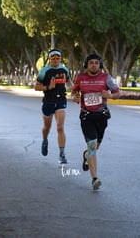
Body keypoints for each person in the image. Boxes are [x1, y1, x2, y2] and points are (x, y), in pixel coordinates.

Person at [71, 53, 120, 190]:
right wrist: (74, 98)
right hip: (87, 116)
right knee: (92, 146)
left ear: (100, 65)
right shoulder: (81, 78)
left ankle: (86, 155)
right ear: (86, 65)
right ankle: (94, 178)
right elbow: (73, 93)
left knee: (94, 148)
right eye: (91, 62)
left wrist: (109, 95)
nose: (93, 65)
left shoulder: (106, 78)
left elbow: (117, 93)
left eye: (96, 63)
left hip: (101, 117)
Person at [35, 49, 72, 164]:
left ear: (60, 59)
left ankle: (62, 154)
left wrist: (76, 91)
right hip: (48, 102)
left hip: (61, 101)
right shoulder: (44, 71)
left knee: (60, 127)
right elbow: (36, 87)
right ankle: (45, 140)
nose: (55, 60)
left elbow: (70, 83)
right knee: (47, 127)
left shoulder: (64, 70)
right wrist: (48, 87)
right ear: (50, 59)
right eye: (53, 58)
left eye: (57, 58)